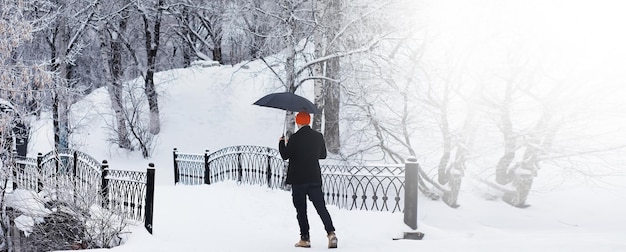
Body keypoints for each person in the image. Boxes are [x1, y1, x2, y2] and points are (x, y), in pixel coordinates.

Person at [279, 111, 338, 249]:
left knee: (301, 210)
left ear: (298, 122)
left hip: (298, 180)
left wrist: (282, 143)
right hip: (314, 178)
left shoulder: (294, 138)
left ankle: (305, 239)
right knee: (321, 208)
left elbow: (285, 155)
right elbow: (323, 155)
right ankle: (331, 233)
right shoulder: (318, 136)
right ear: (309, 121)